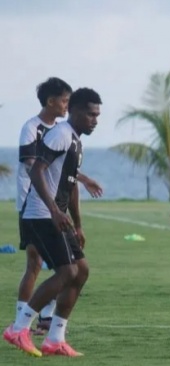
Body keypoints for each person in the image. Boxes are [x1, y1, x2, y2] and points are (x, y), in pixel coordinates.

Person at [4, 87, 102, 357]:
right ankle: (18, 328)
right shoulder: (59, 134)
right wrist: (54, 210)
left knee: (81, 271)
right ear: (75, 111)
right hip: (40, 214)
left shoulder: (75, 140)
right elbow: (36, 170)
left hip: (56, 215)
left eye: (98, 115)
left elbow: (70, 186)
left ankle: (55, 338)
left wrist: (78, 224)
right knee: (66, 272)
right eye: (90, 114)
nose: (95, 120)